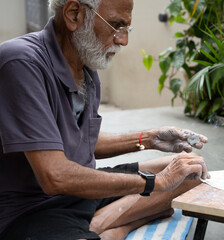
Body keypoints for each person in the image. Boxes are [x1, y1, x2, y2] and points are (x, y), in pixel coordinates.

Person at [0, 0, 210, 239]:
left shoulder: (86, 67)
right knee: (167, 182)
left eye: (126, 29)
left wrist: (150, 138)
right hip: (33, 209)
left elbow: (82, 141)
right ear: (74, 14)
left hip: (83, 191)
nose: (123, 40)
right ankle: (113, 227)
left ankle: (99, 223)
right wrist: (154, 183)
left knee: (192, 170)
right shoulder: (20, 63)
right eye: (116, 26)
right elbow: (54, 176)